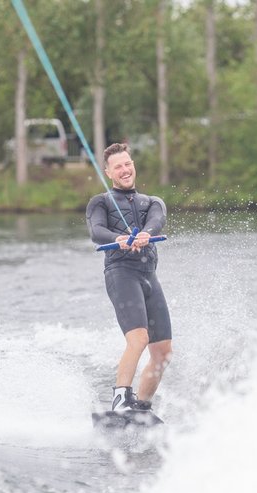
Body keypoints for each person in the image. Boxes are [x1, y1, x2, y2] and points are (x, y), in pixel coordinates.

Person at [86, 143, 173, 412]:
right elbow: (96, 231)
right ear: (109, 173)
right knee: (138, 338)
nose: (125, 170)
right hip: (121, 274)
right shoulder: (99, 203)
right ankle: (121, 399)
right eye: (118, 167)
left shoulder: (153, 202)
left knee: (162, 352)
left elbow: (157, 220)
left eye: (128, 164)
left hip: (149, 276)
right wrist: (118, 239)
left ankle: (142, 408)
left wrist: (146, 233)